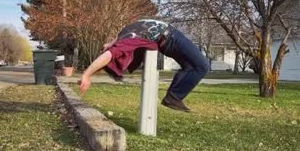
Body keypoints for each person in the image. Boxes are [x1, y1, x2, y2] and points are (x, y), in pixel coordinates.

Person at [78, 19, 209, 112]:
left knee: (190, 67)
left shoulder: (121, 37)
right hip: (170, 38)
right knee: (202, 66)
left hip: (168, 38)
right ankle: (174, 97)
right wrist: (87, 75)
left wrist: (108, 46)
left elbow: (109, 50)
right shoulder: (124, 40)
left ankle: (173, 96)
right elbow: (107, 56)